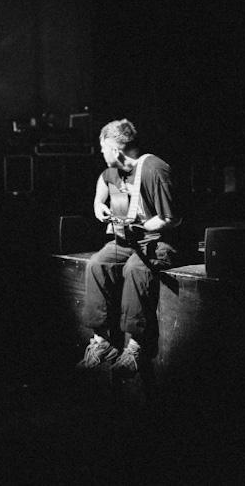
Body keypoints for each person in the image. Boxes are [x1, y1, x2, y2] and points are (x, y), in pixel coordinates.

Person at [76, 118, 181, 376]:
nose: (100, 154)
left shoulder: (154, 169)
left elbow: (171, 218)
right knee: (98, 264)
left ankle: (136, 346)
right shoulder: (115, 170)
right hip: (132, 241)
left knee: (135, 269)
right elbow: (103, 181)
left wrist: (139, 226)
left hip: (163, 241)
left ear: (115, 150)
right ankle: (102, 342)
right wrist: (98, 204)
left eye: (102, 149)